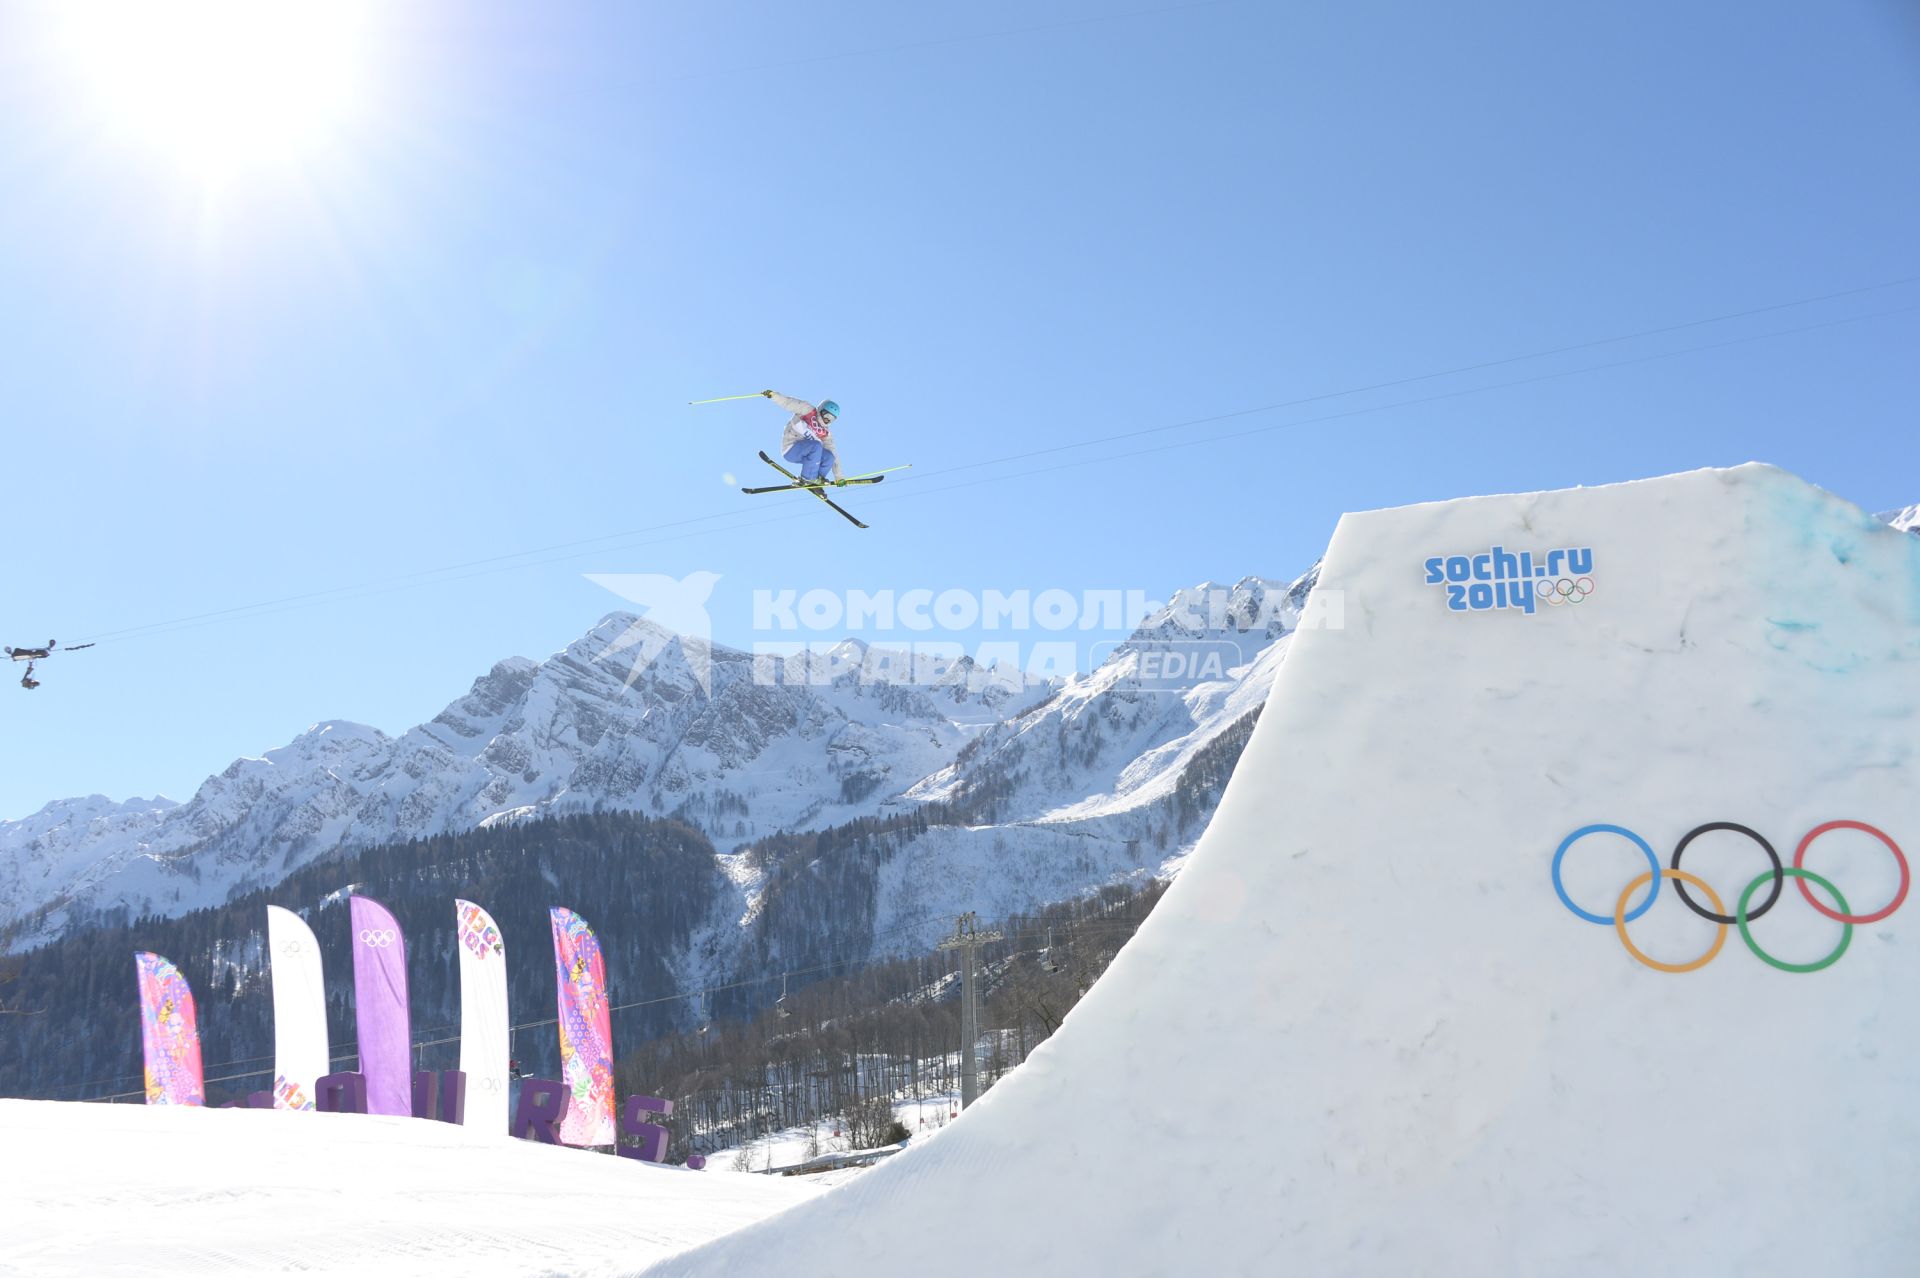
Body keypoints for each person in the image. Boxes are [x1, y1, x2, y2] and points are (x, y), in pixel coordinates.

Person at [763, 390, 843, 486]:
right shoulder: (807, 410)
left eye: (831, 418)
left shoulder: (825, 433)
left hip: (807, 453)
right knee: (817, 446)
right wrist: (774, 396)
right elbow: (788, 402)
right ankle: (808, 478)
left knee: (829, 457)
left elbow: (834, 455)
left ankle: (817, 480)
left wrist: (839, 477)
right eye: (826, 415)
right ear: (821, 409)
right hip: (791, 448)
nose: (827, 419)